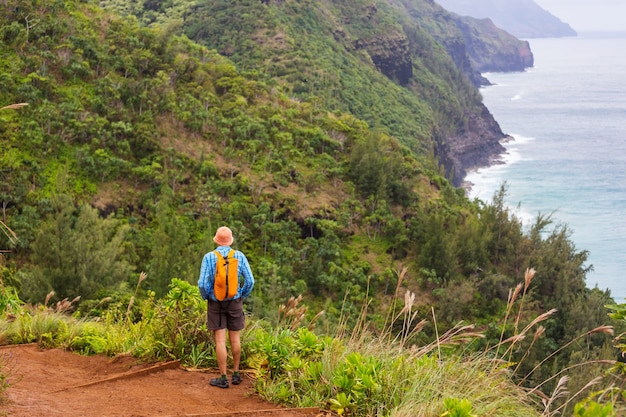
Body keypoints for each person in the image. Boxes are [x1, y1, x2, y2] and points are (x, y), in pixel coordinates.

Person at [198, 226, 255, 388]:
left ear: (216, 240)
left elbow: (202, 283)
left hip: (215, 302)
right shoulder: (239, 256)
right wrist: (241, 294)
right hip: (234, 301)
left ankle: (223, 378)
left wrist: (207, 296)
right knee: (235, 339)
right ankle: (236, 374)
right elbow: (250, 281)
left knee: (220, 341)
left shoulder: (209, 257)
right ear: (230, 241)